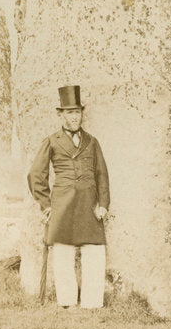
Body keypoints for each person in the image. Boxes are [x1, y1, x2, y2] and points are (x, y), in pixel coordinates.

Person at [27, 84, 110, 309]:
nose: (75, 117)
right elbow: (36, 174)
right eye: (70, 113)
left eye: (78, 112)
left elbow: (101, 173)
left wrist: (103, 204)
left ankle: (92, 304)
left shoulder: (92, 142)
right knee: (63, 252)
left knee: (94, 250)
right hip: (62, 204)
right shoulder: (52, 141)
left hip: (89, 205)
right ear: (60, 114)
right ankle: (67, 303)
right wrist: (45, 205)